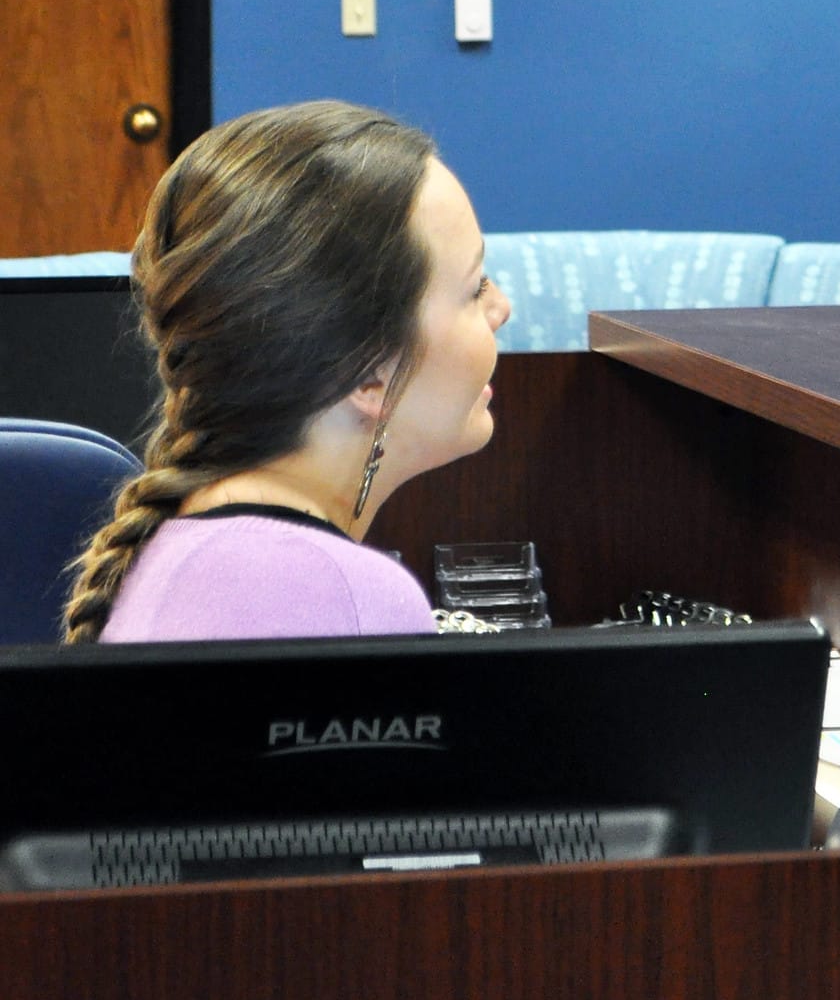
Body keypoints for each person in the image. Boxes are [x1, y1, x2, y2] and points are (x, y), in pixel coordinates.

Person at [62, 100, 513, 642]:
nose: (500, 307)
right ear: (368, 375)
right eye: (474, 288)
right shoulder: (343, 593)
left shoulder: (186, 544)